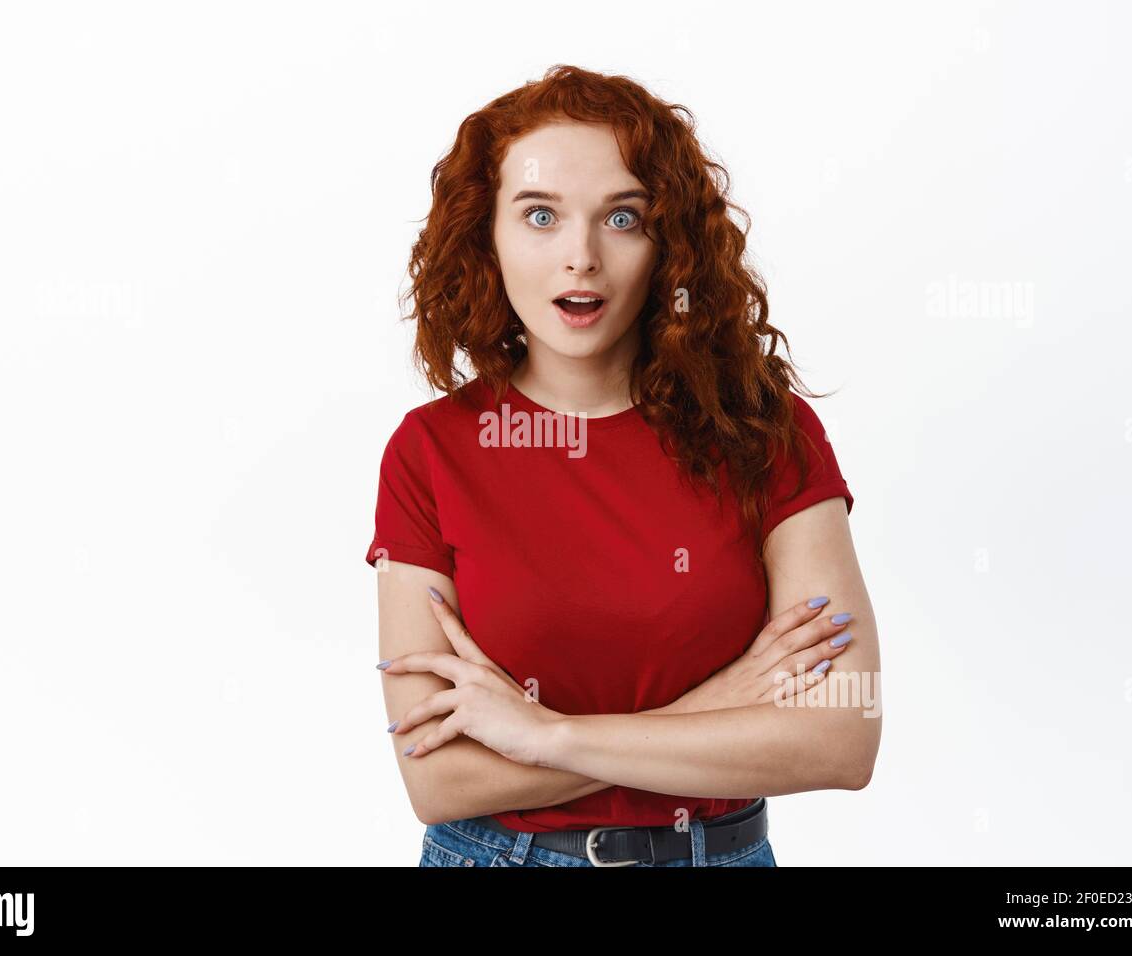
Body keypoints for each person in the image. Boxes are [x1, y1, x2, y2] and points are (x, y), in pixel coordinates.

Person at [365, 65, 882, 867]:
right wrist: (717, 708)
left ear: (667, 241)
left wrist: (549, 736)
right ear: (487, 237)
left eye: (622, 218)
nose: (581, 257)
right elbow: (441, 781)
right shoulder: (431, 453)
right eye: (540, 216)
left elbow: (841, 739)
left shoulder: (766, 431)